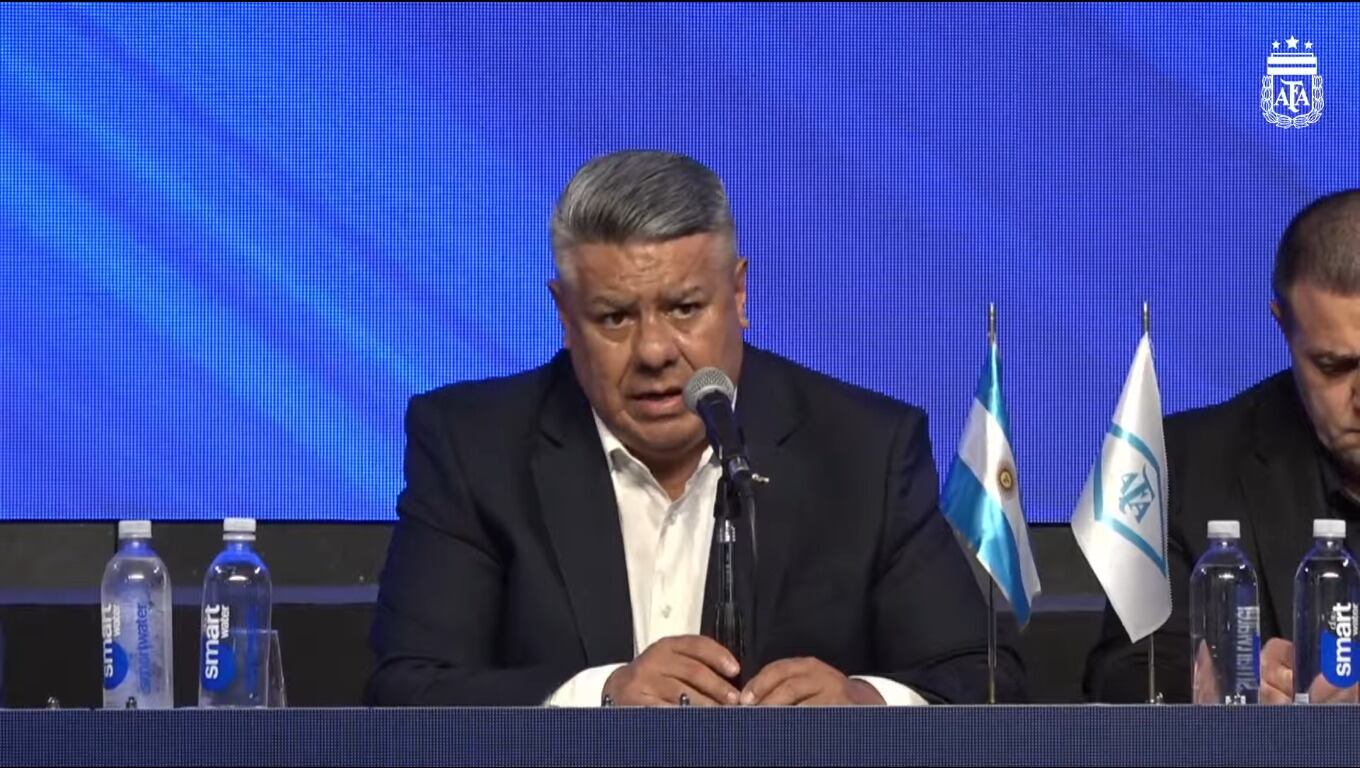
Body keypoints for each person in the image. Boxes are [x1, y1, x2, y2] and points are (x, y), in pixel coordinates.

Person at [366, 149, 1025, 707]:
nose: (654, 351)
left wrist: (864, 704)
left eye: (684, 308)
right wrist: (600, 697)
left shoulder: (862, 449)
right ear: (565, 315)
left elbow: (984, 680)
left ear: (738, 295)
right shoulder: (473, 447)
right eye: (615, 317)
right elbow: (406, 691)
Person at [1085, 188, 1360, 704]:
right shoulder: (1189, 465)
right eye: (1334, 366)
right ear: (1284, 326)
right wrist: (1219, 687)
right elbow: (1127, 672)